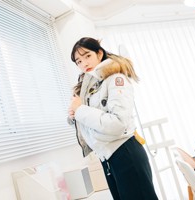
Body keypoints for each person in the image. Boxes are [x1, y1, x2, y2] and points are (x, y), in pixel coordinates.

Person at [67, 37, 158, 200]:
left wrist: (80, 110)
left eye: (87, 56)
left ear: (99, 53)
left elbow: (117, 122)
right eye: (78, 61)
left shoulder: (116, 79)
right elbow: (91, 120)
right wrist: (74, 114)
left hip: (125, 153)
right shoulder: (90, 86)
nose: (83, 64)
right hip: (108, 158)